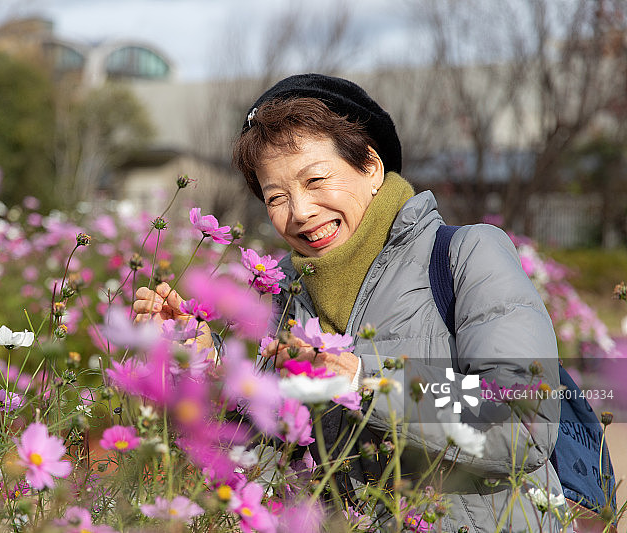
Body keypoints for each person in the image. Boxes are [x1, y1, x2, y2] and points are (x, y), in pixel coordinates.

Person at [134, 74, 565, 532]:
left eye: (316, 179)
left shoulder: (465, 255)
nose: (300, 212)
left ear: (371, 167)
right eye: (276, 197)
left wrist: (363, 380)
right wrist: (207, 365)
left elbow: (523, 423)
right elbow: (257, 460)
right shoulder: (284, 298)